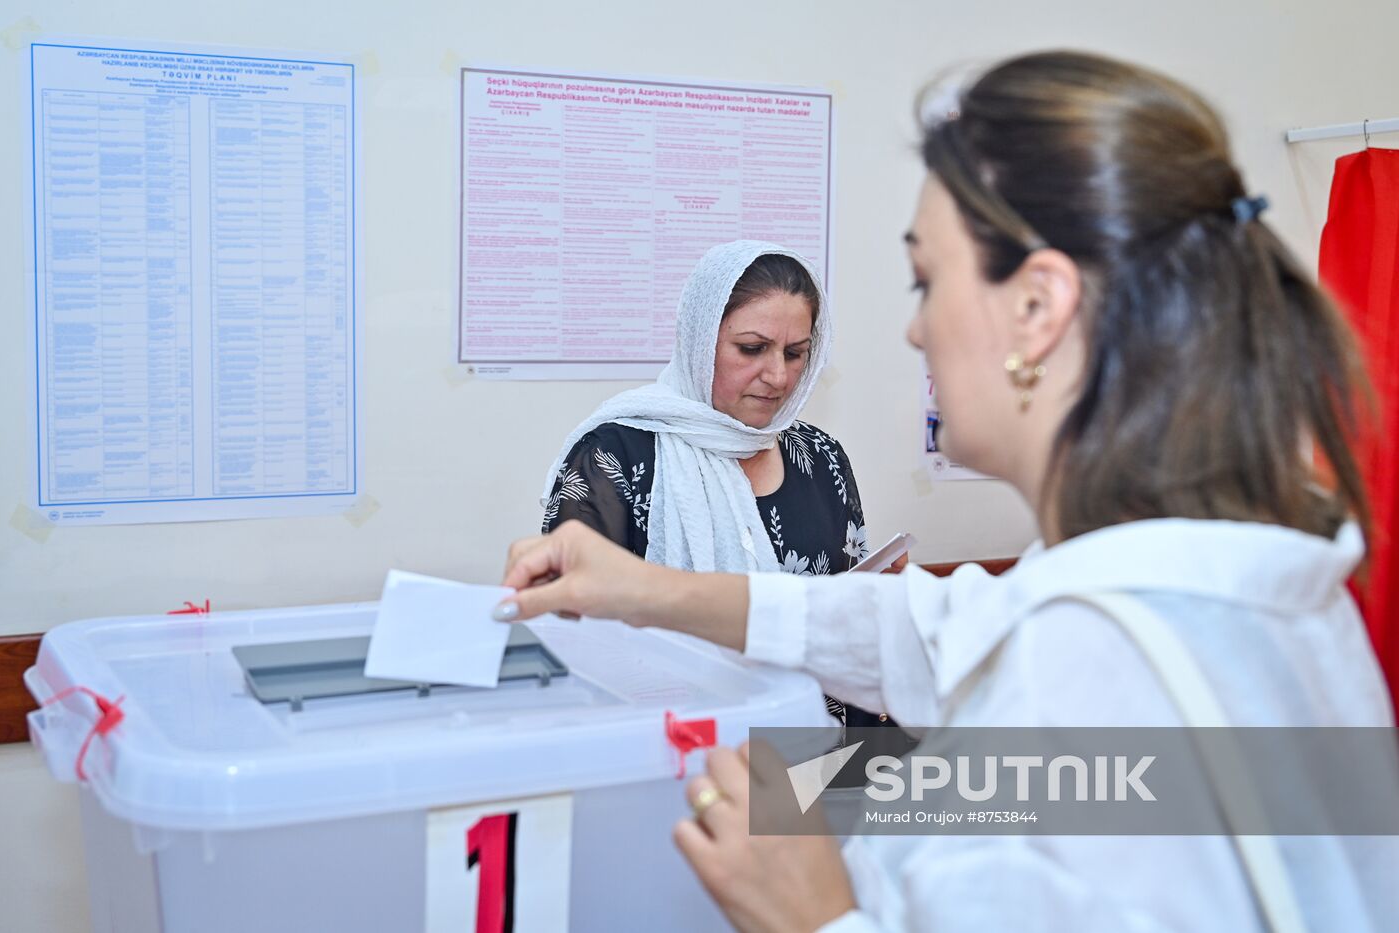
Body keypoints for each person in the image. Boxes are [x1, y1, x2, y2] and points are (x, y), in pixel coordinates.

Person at [497, 51, 1394, 932]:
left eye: (928, 279)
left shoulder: (1094, 658)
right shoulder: (1197, 583)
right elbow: (932, 634)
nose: (914, 327)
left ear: (1038, 309)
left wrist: (817, 916)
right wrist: (646, 592)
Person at [542, 240, 897, 727]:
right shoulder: (614, 456)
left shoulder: (820, 458)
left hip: (813, 761)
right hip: (667, 761)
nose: (777, 376)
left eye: (796, 354)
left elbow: (847, 629)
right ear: (700, 339)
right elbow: (576, 636)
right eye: (752, 349)